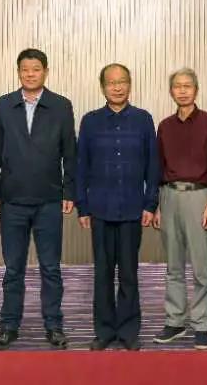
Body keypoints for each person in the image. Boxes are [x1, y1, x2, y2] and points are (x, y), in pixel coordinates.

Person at [0, 48, 76, 350]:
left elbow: (70, 153)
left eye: (36, 69)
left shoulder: (61, 106)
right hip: (12, 200)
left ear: (45, 72)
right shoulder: (4, 105)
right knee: (13, 269)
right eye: (25, 69)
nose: (30, 74)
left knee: (51, 267)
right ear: (18, 72)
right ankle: (8, 325)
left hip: (49, 199)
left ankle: (54, 325)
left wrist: (69, 191)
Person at [77, 63, 160, 351]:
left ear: (130, 84)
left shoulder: (143, 119)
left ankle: (128, 331)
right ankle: (104, 331)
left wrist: (150, 203)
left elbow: (153, 165)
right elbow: (81, 166)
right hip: (99, 209)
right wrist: (82, 206)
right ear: (103, 87)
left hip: (132, 209)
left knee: (128, 273)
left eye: (122, 81)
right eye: (111, 83)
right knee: (102, 273)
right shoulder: (90, 121)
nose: (117, 87)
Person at [153, 68, 207, 350]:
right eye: (177, 86)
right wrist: (158, 206)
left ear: (196, 90)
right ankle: (175, 320)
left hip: (200, 197)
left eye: (188, 86)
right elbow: (158, 167)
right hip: (169, 196)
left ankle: (202, 324)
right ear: (171, 91)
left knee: (201, 267)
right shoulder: (165, 126)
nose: (182, 91)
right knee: (173, 265)